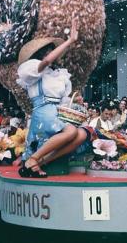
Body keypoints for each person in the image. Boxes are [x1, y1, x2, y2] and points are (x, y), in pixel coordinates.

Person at [17, 20, 89, 178]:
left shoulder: (59, 74)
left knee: (82, 134)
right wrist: (70, 40)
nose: (51, 53)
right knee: (70, 131)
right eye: (47, 50)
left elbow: (64, 100)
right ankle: (33, 158)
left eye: (52, 50)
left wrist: (74, 101)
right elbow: (47, 61)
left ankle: (39, 162)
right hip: (43, 110)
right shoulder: (32, 67)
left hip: (58, 111)